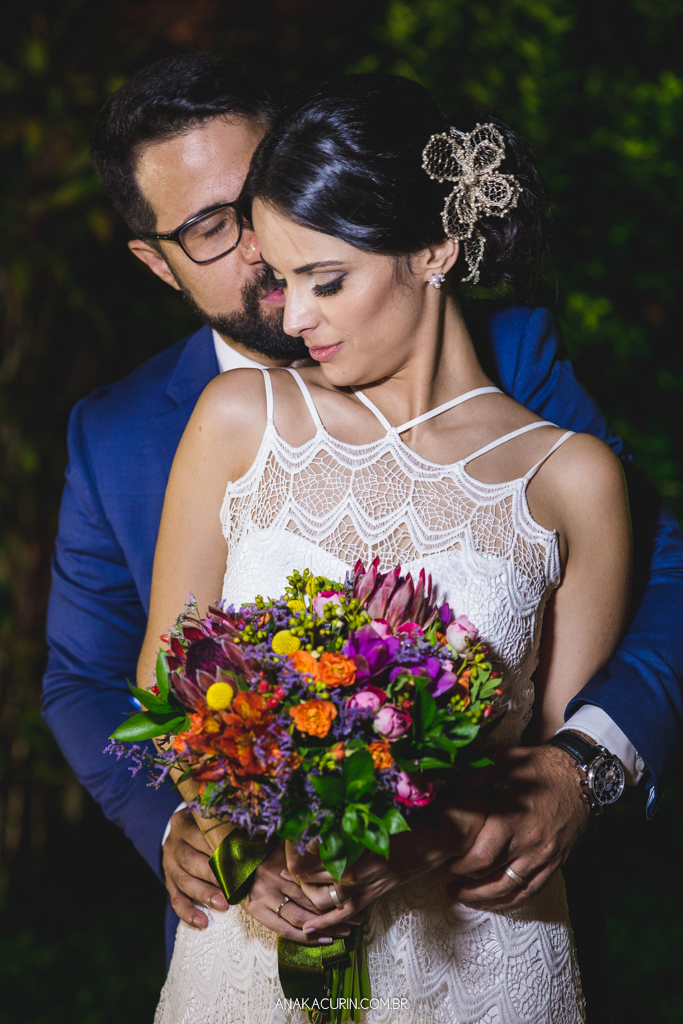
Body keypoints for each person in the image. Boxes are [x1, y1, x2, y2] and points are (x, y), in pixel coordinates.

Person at [40, 54, 683, 990]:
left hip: (477, 950)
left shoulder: (538, 403)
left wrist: (579, 772)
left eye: (267, 192)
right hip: (246, 937)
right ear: (156, 261)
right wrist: (207, 831)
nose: (271, 273)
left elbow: (588, 681)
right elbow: (100, 682)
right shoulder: (177, 424)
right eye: (219, 229)